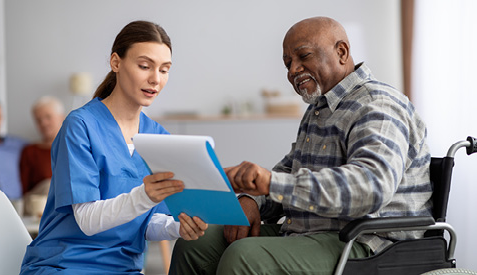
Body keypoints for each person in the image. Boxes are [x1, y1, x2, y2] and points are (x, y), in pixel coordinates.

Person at [169, 16, 432, 274]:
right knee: (196, 245)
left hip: (370, 244)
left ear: (341, 51)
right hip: (314, 233)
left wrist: (270, 182)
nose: (293, 70)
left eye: (303, 56)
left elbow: (372, 186)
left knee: (245, 258)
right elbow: (288, 171)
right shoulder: (319, 109)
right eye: (287, 63)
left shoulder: (378, 104)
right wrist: (252, 199)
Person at [20, 20, 207, 274]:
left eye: (164, 70)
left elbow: (147, 221)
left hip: (122, 268)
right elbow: (86, 220)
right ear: (116, 62)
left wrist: (178, 227)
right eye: (144, 66)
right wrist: (145, 195)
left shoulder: (158, 137)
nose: (155, 79)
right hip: (65, 264)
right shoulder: (80, 126)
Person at [20, 96, 65, 216]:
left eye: (48, 117)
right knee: (49, 185)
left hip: (70, 205)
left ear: (62, 117)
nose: (43, 123)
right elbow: (24, 191)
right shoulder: (30, 151)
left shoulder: (75, 148)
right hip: (38, 208)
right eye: (38, 120)